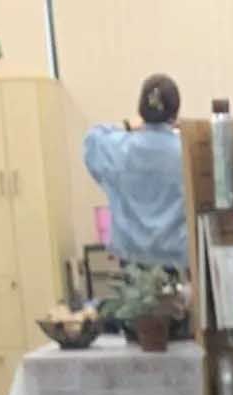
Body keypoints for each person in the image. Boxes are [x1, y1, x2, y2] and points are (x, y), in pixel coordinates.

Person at [83, 74, 188, 271]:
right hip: (179, 265)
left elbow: (92, 138)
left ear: (141, 110)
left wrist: (128, 126)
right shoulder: (186, 152)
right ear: (175, 113)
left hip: (132, 268)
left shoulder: (119, 148)